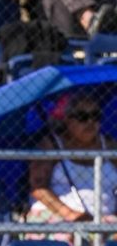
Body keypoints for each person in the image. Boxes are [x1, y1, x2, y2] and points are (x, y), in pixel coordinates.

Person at [27, 92, 117, 225]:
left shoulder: (110, 146)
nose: (90, 122)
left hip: (105, 220)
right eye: (82, 117)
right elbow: (38, 188)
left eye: (95, 116)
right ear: (66, 120)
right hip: (58, 216)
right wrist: (71, 214)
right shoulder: (52, 145)